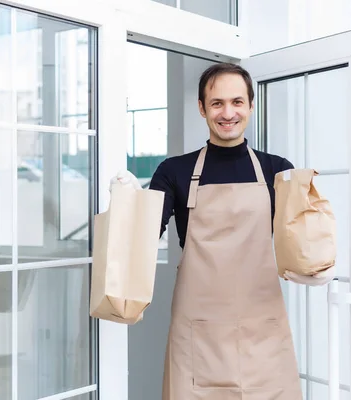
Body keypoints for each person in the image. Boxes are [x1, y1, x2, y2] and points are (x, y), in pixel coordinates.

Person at [111, 63, 334, 399]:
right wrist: (129, 205)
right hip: (199, 329)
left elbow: (300, 242)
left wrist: (315, 265)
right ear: (202, 108)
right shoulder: (174, 171)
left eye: (237, 102)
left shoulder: (277, 170)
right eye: (217, 103)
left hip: (262, 326)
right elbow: (143, 240)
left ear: (250, 106)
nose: (228, 113)